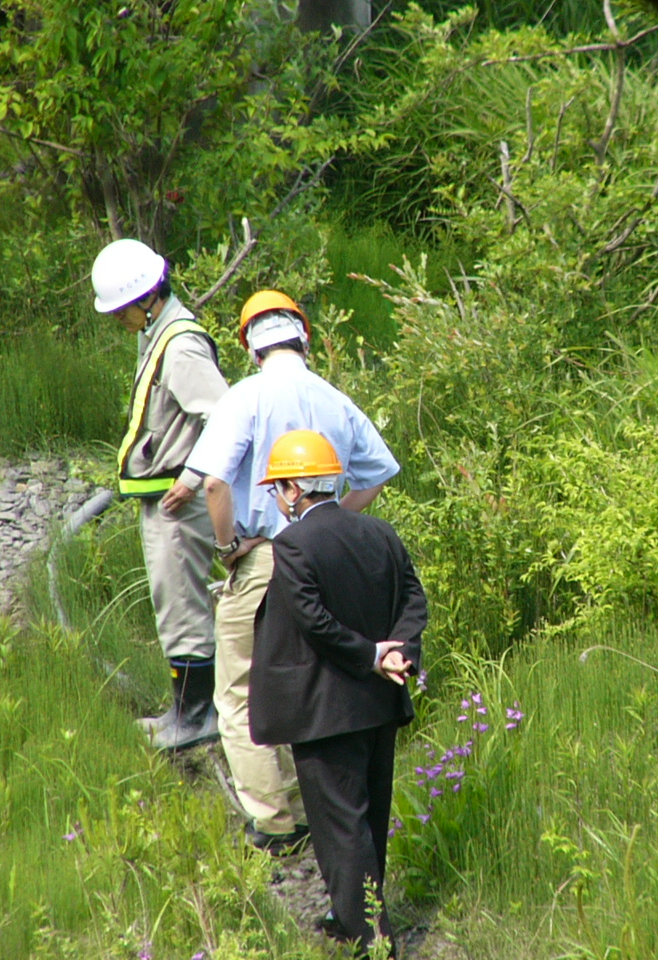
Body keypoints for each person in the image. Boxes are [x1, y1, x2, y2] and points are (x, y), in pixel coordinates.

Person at [171, 290, 400, 853]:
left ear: (250, 348)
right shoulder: (335, 399)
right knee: (310, 680)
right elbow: (378, 472)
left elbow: (215, 483)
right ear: (305, 338)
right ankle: (315, 810)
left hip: (265, 557)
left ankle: (276, 822)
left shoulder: (245, 396)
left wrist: (229, 547)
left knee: (240, 691)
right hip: (325, 557)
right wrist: (329, 522)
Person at [250, 429, 425, 958]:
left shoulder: (293, 544)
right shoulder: (380, 531)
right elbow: (413, 599)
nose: (276, 498)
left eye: (276, 488)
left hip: (325, 712)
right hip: (380, 704)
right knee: (369, 822)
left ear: (295, 489)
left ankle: (372, 942)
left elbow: (314, 621)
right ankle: (352, 917)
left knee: (341, 828)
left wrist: (371, 654)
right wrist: (399, 653)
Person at [91, 238, 229, 751]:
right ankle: (184, 710)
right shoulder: (158, 333)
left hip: (179, 500)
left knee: (182, 607)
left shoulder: (181, 344)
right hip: (165, 496)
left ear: (146, 298)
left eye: (120, 312)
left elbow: (224, 418)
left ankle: (196, 718)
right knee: (173, 603)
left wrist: (193, 476)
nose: (118, 321)